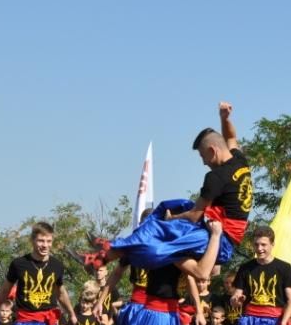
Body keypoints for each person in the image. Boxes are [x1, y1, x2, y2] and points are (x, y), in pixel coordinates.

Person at [89, 102, 250, 271]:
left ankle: (110, 247)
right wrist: (225, 119)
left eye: (203, 157)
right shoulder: (240, 161)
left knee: (159, 230)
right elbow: (231, 138)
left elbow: (194, 216)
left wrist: (171, 219)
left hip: (220, 240)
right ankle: (103, 256)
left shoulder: (216, 177)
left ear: (212, 150)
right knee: (170, 205)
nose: (204, 163)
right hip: (213, 227)